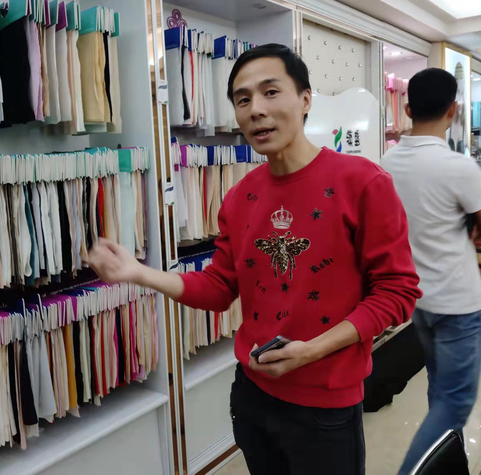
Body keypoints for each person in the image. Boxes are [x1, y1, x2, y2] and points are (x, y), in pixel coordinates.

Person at [88, 43, 421, 475]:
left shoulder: (363, 183)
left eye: (270, 92)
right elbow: (218, 289)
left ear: (305, 100)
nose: (256, 110)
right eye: (242, 100)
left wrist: (313, 351)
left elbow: (397, 292)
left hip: (325, 407)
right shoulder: (239, 197)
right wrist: (139, 273)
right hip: (252, 396)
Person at [381, 68, 481, 474]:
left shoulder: (386, 163)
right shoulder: (458, 167)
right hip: (459, 304)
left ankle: (450, 467)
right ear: (453, 110)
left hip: (417, 302)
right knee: (453, 403)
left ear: (407, 109)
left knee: (440, 392)